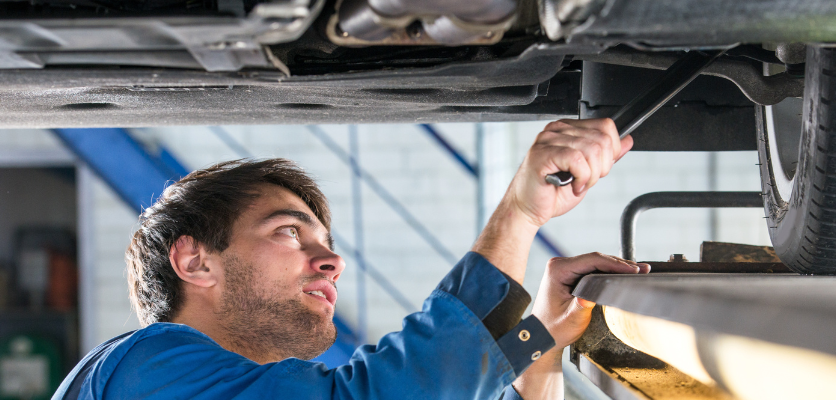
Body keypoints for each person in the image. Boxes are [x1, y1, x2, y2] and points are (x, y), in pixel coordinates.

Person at [53, 118, 648, 400]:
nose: (330, 262)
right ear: (195, 262)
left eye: (328, 246)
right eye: (289, 232)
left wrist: (536, 338)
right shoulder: (145, 369)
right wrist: (520, 213)